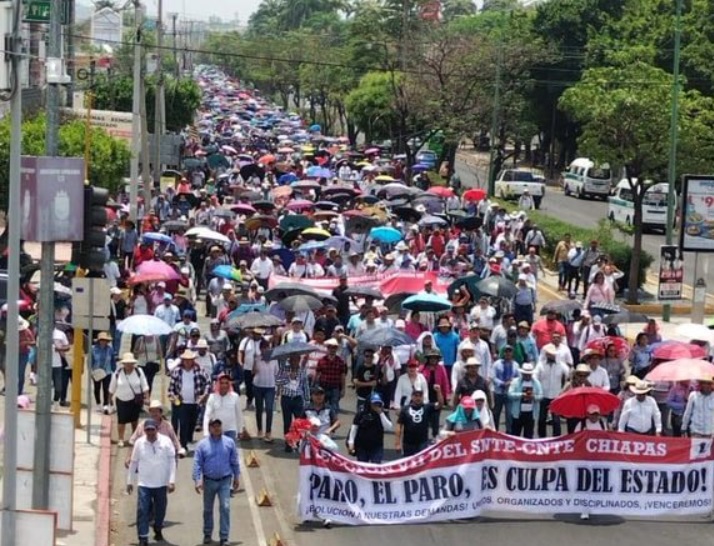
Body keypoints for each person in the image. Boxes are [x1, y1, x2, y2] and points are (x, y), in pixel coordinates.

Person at [126, 419, 177, 546]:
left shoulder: (166, 441)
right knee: (143, 510)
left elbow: (172, 461)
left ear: (157, 429)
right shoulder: (139, 443)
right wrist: (129, 481)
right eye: (147, 430)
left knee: (160, 510)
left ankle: (158, 527)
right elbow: (133, 462)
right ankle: (143, 537)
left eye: (152, 429)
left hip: (161, 483)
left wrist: (171, 481)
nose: (150, 432)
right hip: (144, 484)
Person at [193, 419, 240, 546]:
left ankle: (224, 537)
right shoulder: (202, 445)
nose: (217, 428)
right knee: (208, 509)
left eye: (219, 426)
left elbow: (234, 461)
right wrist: (198, 480)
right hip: (209, 481)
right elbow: (197, 464)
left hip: (225, 481)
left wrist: (237, 477)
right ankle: (207, 534)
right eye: (214, 426)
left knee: (225, 507)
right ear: (209, 428)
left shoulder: (229, 443)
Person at [168, 350, 211, 453]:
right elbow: (171, 388)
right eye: (186, 360)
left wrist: (204, 395)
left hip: (195, 402)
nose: (187, 362)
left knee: (192, 423)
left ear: (193, 360)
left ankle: (188, 440)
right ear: (182, 361)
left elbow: (208, 383)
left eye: (190, 360)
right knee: (183, 424)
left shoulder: (199, 370)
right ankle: (183, 445)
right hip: (182, 403)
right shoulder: (177, 371)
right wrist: (174, 397)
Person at [109, 352, 149, 447]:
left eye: (130, 363)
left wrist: (147, 397)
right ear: (123, 364)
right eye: (126, 363)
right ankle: (121, 439)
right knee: (121, 420)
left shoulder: (139, 371)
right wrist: (109, 398)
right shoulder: (118, 372)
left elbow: (145, 385)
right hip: (121, 399)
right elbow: (112, 386)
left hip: (135, 400)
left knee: (134, 420)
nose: (128, 365)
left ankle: (134, 438)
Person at [395, 386, 443, 457]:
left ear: (423, 397)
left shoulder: (427, 407)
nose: (418, 398)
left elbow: (440, 404)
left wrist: (438, 392)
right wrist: (397, 443)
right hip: (408, 443)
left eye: (420, 396)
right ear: (412, 397)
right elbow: (399, 426)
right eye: (416, 395)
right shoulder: (405, 409)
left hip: (422, 443)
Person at [276, 354, 310, 452]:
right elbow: (278, 382)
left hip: (298, 399)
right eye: (292, 360)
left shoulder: (302, 370)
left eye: (296, 360)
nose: (294, 362)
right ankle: (288, 444)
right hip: (286, 398)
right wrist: (288, 377)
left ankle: (297, 442)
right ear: (289, 360)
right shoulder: (283, 369)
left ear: (299, 360)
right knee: (287, 422)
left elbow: (305, 386)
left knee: (298, 422)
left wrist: (307, 400)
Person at [534, 346, 570, 438]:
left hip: (556, 395)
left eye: (553, 354)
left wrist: (563, 389)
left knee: (556, 420)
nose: (551, 356)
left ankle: (556, 438)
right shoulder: (540, 364)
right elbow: (535, 377)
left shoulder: (561, 365)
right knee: (542, 419)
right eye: (549, 354)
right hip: (543, 395)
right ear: (546, 354)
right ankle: (542, 438)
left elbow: (569, 374)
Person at [347, 393, 394, 463]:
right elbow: (354, 428)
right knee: (362, 467)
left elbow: (389, 427)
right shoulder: (361, 413)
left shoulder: (382, 413)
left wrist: (380, 413)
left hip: (377, 447)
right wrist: (351, 443)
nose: (376, 405)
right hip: (362, 446)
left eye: (378, 403)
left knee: (375, 468)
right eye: (374, 403)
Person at [203, 373, 246, 444]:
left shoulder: (235, 397)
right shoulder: (212, 397)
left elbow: (239, 415)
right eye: (222, 383)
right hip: (216, 430)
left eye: (226, 383)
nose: (224, 385)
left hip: (231, 430)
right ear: (218, 384)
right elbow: (207, 415)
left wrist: (240, 430)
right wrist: (206, 432)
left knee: (230, 452)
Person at [253, 339, 278, 442]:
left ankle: (268, 432)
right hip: (258, 386)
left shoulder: (275, 359)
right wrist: (255, 362)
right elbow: (253, 372)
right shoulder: (257, 359)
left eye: (267, 347)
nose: (265, 349)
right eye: (263, 348)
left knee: (269, 409)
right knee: (259, 409)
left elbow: (277, 373)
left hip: (270, 387)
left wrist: (279, 388)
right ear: (260, 349)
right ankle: (260, 430)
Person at [508, 363, 543, 439]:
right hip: (518, 413)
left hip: (530, 413)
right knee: (515, 435)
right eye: (525, 374)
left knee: (528, 436)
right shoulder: (515, 382)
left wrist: (534, 397)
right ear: (522, 374)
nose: (527, 376)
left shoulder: (536, 383)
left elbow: (541, 396)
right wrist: (521, 395)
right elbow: (510, 394)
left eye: (529, 374)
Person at [315, 338, 347, 413]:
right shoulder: (321, 360)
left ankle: (333, 422)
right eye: (330, 347)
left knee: (334, 407)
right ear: (328, 348)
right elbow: (317, 374)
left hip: (335, 388)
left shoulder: (340, 361)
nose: (332, 349)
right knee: (322, 407)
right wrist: (316, 386)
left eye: (334, 347)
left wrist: (343, 389)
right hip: (323, 387)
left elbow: (342, 376)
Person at [91, 331, 116, 414]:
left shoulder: (110, 349)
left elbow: (112, 360)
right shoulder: (93, 349)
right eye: (102, 339)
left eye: (105, 340)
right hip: (97, 372)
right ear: (99, 340)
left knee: (106, 389)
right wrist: (91, 371)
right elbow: (90, 361)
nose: (103, 341)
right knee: (97, 388)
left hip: (107, 372)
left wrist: (114, 370)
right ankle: (98, 404)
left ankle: (105, 404)